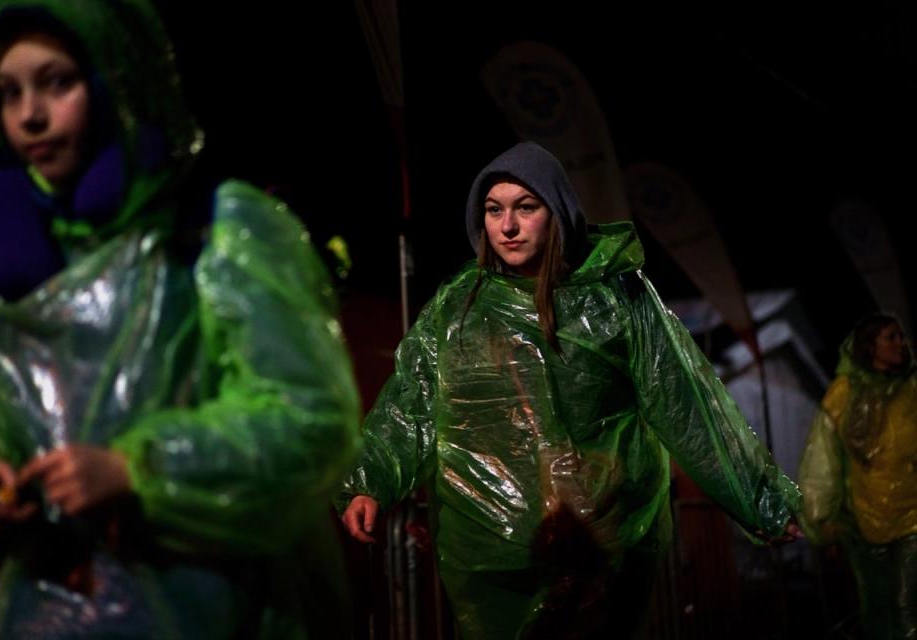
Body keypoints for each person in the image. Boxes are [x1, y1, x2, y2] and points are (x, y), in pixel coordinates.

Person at [0, 0, 361, 637]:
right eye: (9, 93)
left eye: (57, 82)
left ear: (115, 81)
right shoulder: (1, 277)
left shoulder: (220, 230)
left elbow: (311, 420)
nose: (29, 116)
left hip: (219, 611)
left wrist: (140, 470)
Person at [338, 141, 801, 639]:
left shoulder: (614, 298)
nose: (508, 226)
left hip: (598, 545)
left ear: (555, 211)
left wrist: (759, 499)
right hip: (496, 556)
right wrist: (372, 481)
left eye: (525, 207)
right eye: (494, 210)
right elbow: (414, 401)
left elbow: (685, 402)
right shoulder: (459, 309)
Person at [799, 313, 917, 639]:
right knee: (877, 607)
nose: (900, 344)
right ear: (870, 346)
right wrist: (820, 517)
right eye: (890, 337)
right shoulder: (844, 393)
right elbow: (822, 461)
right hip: (865, 520)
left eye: (900, 336)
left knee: (910, 606)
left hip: (912, 516)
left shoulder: (910, 387)